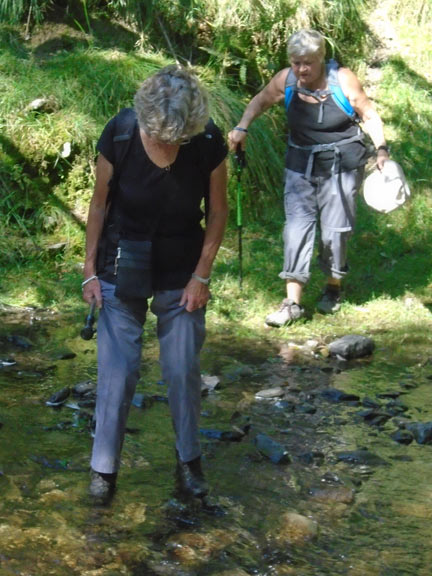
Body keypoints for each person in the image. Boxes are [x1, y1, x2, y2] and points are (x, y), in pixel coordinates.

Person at [82, 65, 228, 501]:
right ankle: (103, 473)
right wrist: (89, 271)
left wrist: (202, 275)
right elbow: (98, 204)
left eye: (175, 138)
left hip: (182, 266)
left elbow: (217, 212)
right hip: (120, 257)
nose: (167, 144)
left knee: (182, 368)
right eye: (160, 135)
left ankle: (189, 462)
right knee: (118, 370)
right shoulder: (121, 133)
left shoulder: (206, 143)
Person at [228, 29, 389, 327]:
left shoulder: (342, 80)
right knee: (296, 228)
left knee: (335, 232)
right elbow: (260, 101)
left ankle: (333, 286)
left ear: (320, 59)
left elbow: (368, 114)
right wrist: (243, 126)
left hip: (341, 164)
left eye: (307, 63)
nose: (301, 69)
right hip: (300, 162)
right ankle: (292, 303)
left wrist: (381, 149)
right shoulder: (286, 80)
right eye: (296, 62)